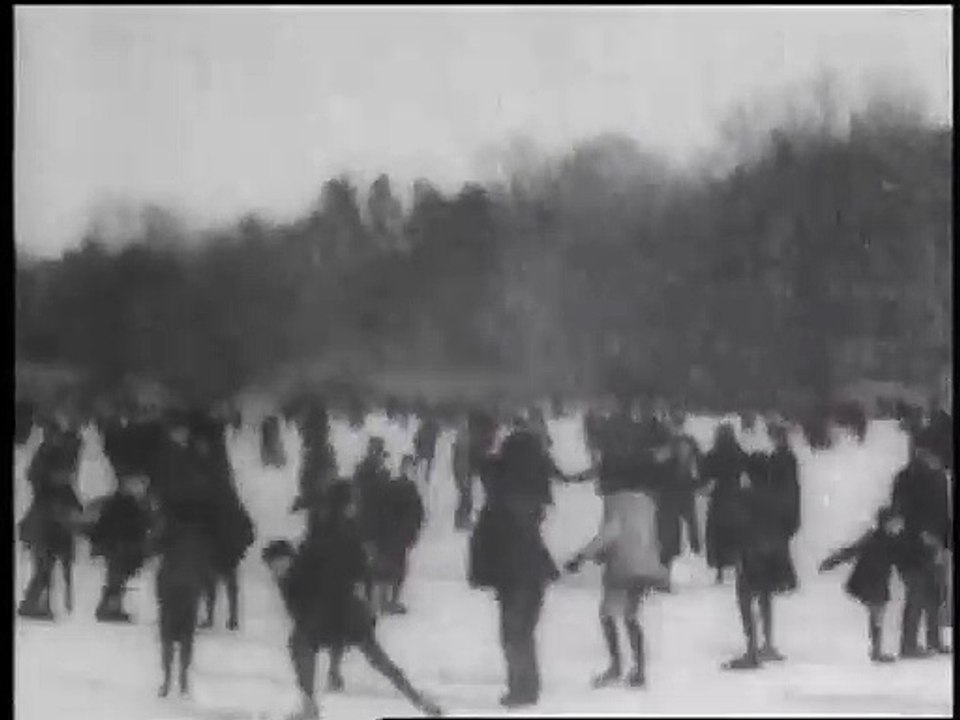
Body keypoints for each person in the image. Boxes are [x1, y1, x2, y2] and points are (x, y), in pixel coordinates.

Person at [262, 481, 442, 720]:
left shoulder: (325, 531)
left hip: (327, 610)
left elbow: (310, 569)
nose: (356, 507)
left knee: (301, 643)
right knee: (379, 659)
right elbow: (359, 568)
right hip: (347, 610)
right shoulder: (347, 532)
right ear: (346, 504)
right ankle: (418, 699)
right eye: (353, 502)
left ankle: (309, 706)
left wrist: (290, 576)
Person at [468, 416, 560, 708]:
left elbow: (482, 463)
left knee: (512, 631)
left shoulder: (501, 494)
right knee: (523, 631)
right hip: (533, 570)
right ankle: (527, 686)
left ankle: (520, 687)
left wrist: (488, 438)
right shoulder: (532, 493)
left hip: (510, 572)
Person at [564, 456, 669, 689]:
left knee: (607, 614)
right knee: (632, 617)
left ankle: (616, 666)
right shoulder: (647, 501)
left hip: (623, 566)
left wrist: (582, 557)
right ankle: (640, 669)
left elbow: (610, 533)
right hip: (647, 565)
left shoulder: (615, 502)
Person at [722, 449, 799, 670]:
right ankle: (768, 644)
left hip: (751, 553)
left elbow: (734, 526)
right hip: (775, 553)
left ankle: (751, 649)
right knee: (766, 597)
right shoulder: (778, 496)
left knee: (745, 599)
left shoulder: (744, 497)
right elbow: (790, 523)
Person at [819, 505, 908, 663]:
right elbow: (852, 550)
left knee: (878, 613)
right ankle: (876, 650)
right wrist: (832, 561)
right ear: (887, 522)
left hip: (878, 579)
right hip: (869, 579)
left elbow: (899, 562)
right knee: (877, 612)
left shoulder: (892, 541)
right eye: (896, 523)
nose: (899, 527)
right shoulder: (874, 538)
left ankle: (876, 649)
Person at [890, 427, 951, 657]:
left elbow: (944, 514)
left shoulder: (938, 478)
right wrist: (920, 533)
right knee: (916, 593)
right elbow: (901, 512)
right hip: (912, 545)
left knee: (935, 594)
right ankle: (908, 644)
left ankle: (933, 640)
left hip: (933, 543)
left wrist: (943, 542)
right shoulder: (907, 478)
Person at [17, 426, 84, 620]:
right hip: (45, 523)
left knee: (45, 566)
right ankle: (33, 603)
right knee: (44, 566)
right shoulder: (48, 460)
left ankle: (37, 603)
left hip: (50, 524)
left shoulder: (54, 473)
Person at [374, 455, 425, 615]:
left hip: (390, 534)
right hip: (399, 535)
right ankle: (391, 601)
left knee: (388, 568)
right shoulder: (408, 488)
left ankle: (385, 601)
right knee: (396, 570)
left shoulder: (392, 486)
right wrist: (413, 531)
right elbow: (417, 513)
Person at [702, 424, 749, 584]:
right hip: (736, 499)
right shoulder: (739, 454)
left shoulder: (712, 455)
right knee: (736, 535)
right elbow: (747, 475)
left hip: (719, 500)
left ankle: (720, 571)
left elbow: (705, 477)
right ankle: (738, 566)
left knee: (718, 536)